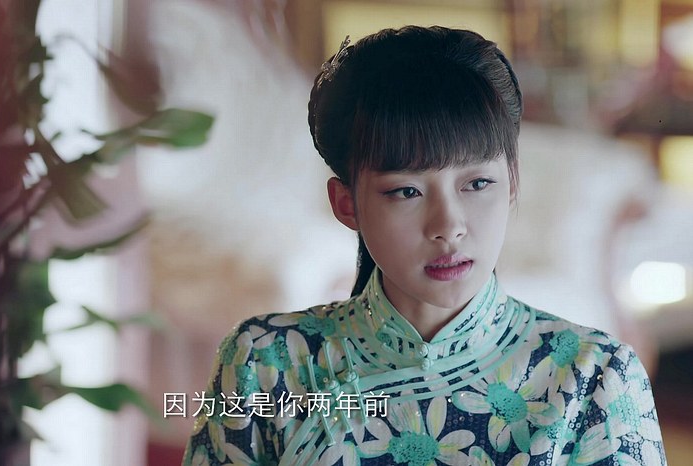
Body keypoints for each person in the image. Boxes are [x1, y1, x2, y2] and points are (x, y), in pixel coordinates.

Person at [182, 25, 666, 465]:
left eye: (477, 184)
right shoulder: (267, 361)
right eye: (406, 192)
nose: (449, 226)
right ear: (346, 204)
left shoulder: (594, 376)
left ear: (513, 183)